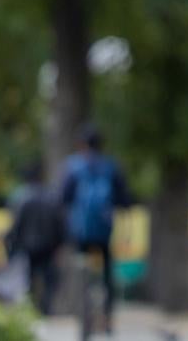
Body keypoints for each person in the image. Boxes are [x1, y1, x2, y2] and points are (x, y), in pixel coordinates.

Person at [60, 125, 133, 321]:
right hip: (104, 229)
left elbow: (64, 197)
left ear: (82, 144)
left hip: (80, 230)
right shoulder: (110, 166)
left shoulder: (73, 166)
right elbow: (124, 198)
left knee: (80, 265)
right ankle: (107, 312)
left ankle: (81, 308)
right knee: (107, 269)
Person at [4, 161, 65, 314]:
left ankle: (34, 307)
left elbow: (17, 225)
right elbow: (59, 223)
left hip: (28, 245)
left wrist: (11, 246)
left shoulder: (21, 197)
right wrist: (59, 243)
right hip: (48, 245)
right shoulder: (50, 196)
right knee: (48, 279)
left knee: (30, 278)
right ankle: (45, 307)